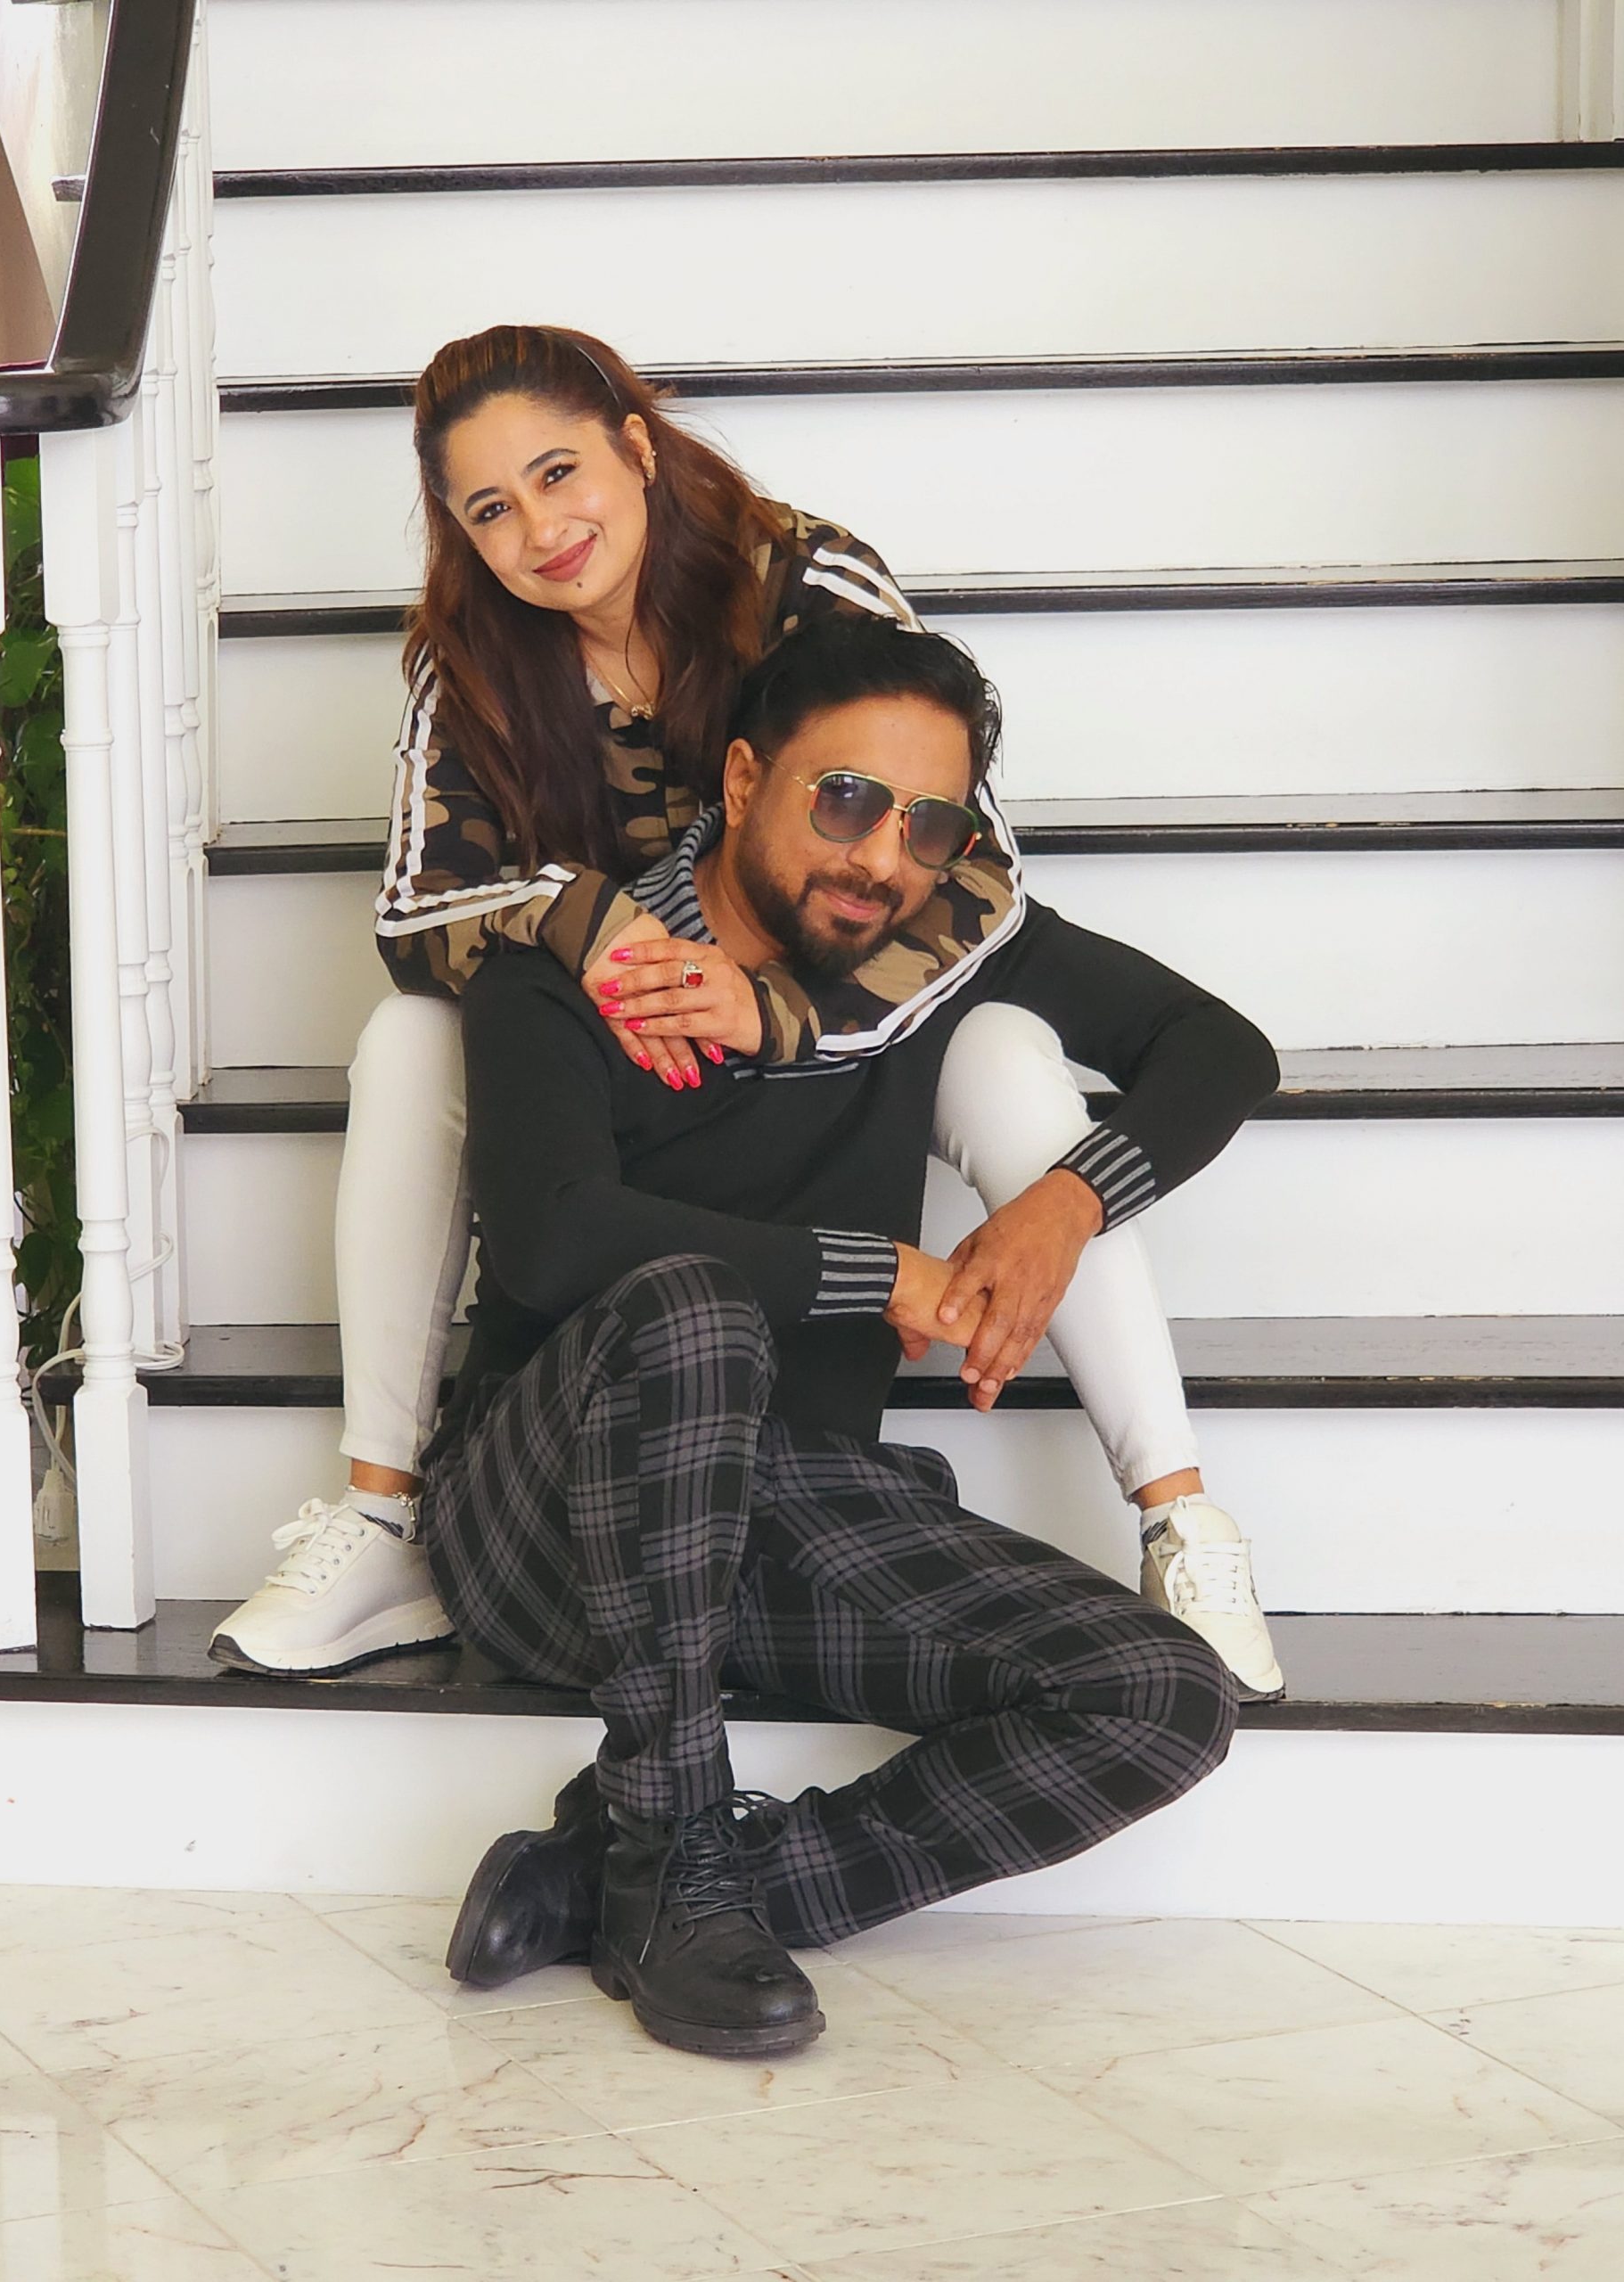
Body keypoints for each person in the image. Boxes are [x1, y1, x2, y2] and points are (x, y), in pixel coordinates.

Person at [209, 323, 1282, 1698]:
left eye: (558, 472)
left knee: (1009, 1048)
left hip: (846, 1005)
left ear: (636, 447)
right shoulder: (472, 658)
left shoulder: (807, 586)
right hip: (615, 1040)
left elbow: (960, 873)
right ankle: (380, 1516)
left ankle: (1177, 1512)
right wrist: (590, 919)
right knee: (409, 1037)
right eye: (490, 509)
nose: (541, 531)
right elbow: (418, 918)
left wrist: (807, 1034)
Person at [422, 615, 1275, 2059]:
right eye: (846, 800)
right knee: (691, 1307)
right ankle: (677, 1858)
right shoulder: (576, 968)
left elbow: (1222, 1049)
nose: (883, 857)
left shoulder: (928, 966)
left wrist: (1062, 1208)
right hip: (550, 1523)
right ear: (742, 778)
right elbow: (556, 1237)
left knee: (1161, 1694)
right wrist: (877, 1274)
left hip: (778, 1508)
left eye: (928, 826)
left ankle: (647, 1878)